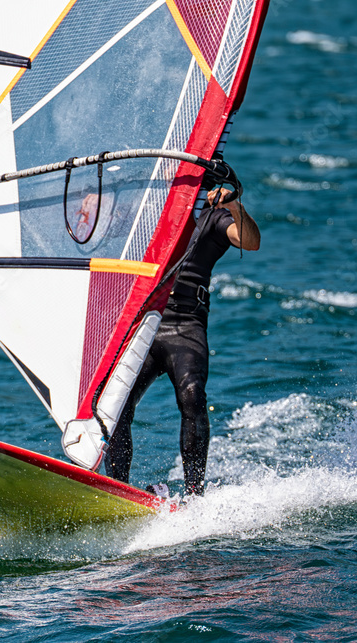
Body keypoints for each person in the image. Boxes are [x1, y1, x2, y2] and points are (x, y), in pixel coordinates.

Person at [104, 185, 261, 496]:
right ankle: (117, 489)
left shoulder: (214, 218)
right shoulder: (149, 213)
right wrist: (101, 201)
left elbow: (250, 241)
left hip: (186, 325)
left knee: (192, 395)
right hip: (146, 322)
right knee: (117, 403)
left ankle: (194, 493)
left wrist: (236, 207)